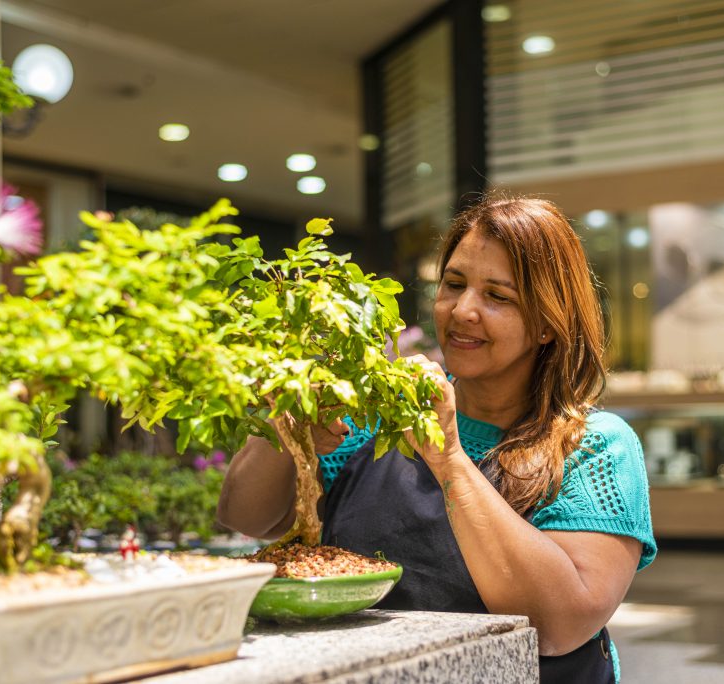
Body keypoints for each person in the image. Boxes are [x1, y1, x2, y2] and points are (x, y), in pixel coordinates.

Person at [218, 196, 656, 683]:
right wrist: (290, 418)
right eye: (453, 285)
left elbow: (562, 625)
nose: (463, 310)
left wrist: (448, 457)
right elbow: (246, 517)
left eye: (498, 296)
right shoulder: (375, 421)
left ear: (548, 324)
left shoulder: (593, 445)